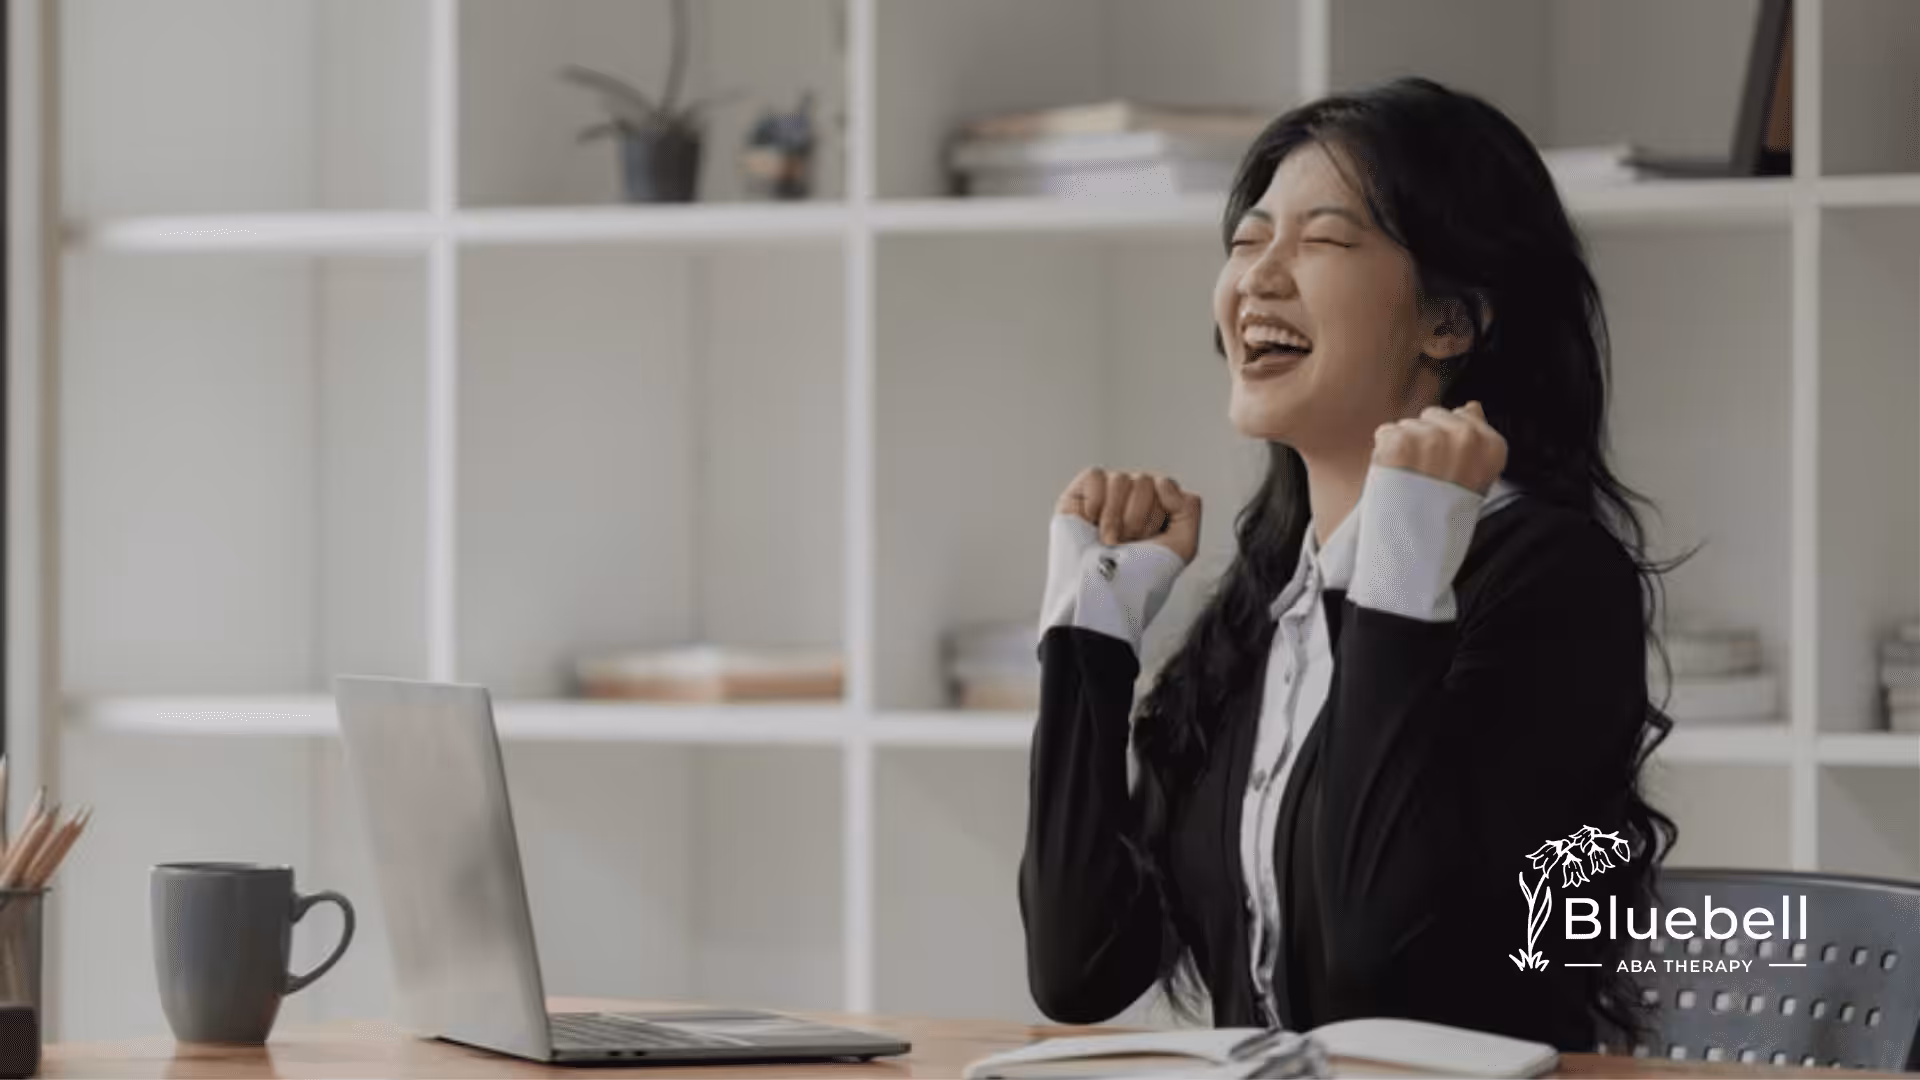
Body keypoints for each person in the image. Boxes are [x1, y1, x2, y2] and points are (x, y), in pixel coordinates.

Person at [1019, 76, 1677, 1052]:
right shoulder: (1268, 608)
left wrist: (1406, 557)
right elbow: (1079, 970)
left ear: (1449, 321)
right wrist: (1090, 632)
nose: (1258, 276)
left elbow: (1381, 979)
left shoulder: (1554, 579)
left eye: (1321, 240)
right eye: (1246, 241)